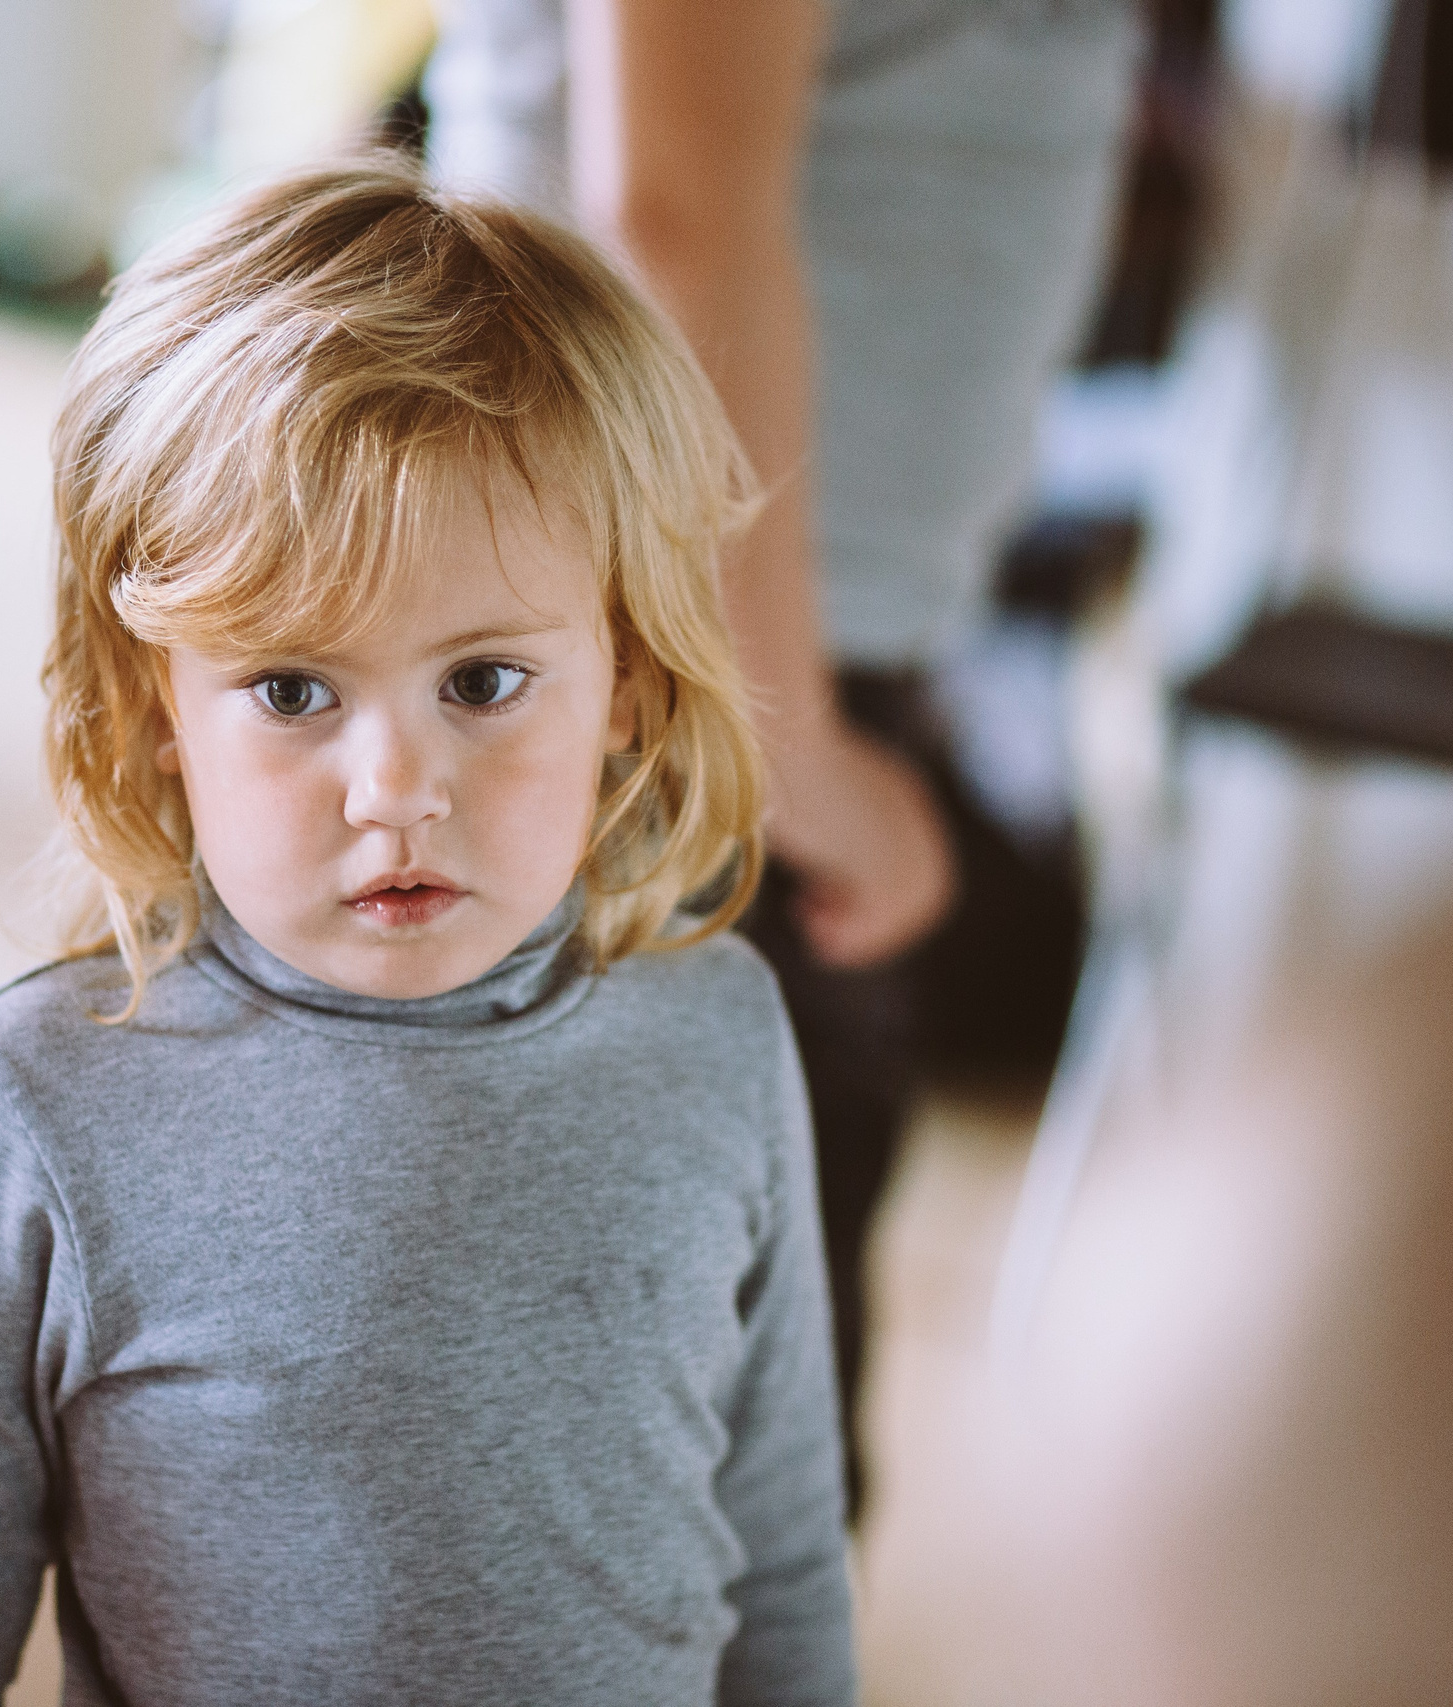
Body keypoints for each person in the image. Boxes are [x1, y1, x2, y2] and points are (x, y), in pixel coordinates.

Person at [0, 159, 856, 1707]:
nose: (395, 793)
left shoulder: (722, 1035)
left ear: (630, 680)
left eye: (482, 682)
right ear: (157, 711)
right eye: (292, 691)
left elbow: (786, 1568)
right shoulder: (26, 1119)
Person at [426, 0, 1141, 1510]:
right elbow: (672, 208)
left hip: (700, 658)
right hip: (671, 687)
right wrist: (776, 736)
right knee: (689, 1500)